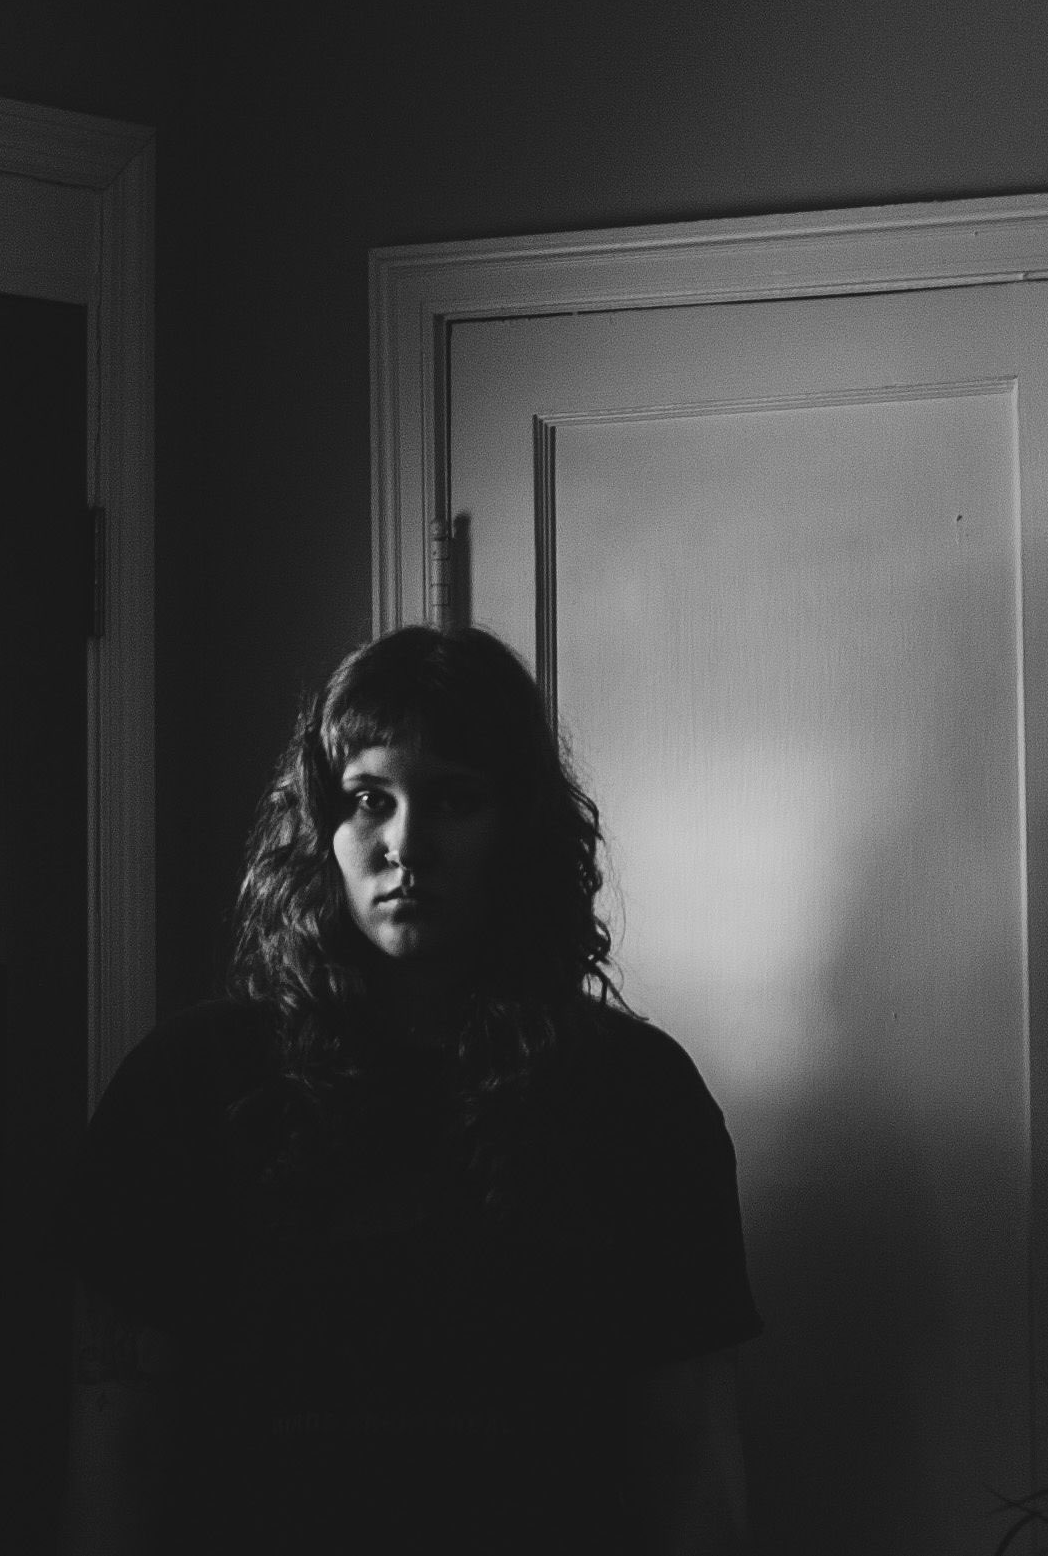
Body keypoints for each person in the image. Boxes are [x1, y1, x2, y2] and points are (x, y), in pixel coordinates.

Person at [63, 625, 759, 1555]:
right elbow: (123, 1449)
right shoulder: (186, 1089)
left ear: (515, 826)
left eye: (454, 799)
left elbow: (689, 1465)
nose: (406, 843)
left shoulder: (636, 1097)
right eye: (367, 799)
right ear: (321, 826)